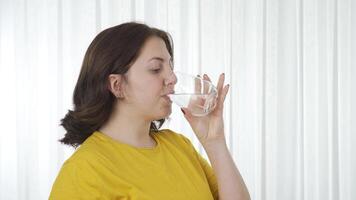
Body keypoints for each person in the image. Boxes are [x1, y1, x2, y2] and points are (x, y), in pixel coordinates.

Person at [49, 22, 250, 200]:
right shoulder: (84, 170)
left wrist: (214, 141)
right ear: (117, 85)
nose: (172, 78)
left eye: (170, 67)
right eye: (156, 69)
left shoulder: (180, 147)